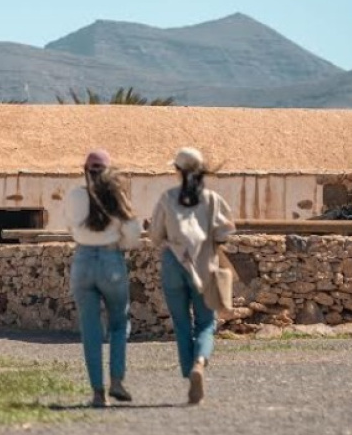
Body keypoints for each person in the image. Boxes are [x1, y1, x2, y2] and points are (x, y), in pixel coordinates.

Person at [149, 147, 235, 405]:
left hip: (174, 264)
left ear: (178, 171)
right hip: (203, 265)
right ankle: (200, 363)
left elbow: (155, 237)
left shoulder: (167, 198)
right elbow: (223, 234)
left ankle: (189, 376)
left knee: (182, 323)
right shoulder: (212, 199)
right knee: (206, 323)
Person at [65, 149, 142, 408]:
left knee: (91, 329)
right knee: (119, 324)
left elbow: (70, 226)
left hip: (83, 261)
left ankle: (98, 393)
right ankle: (117, 380)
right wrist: (120, 244)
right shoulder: (117, 197)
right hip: (111, 260)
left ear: (85, 170)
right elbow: (132, 232)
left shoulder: (75, 195)